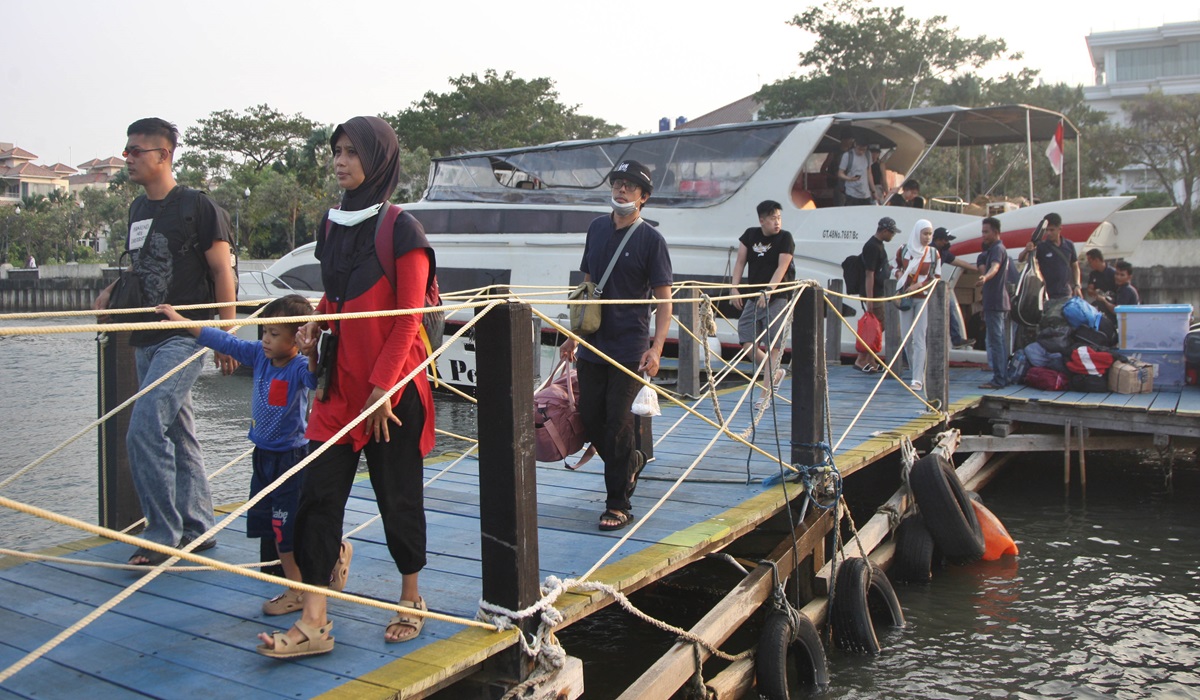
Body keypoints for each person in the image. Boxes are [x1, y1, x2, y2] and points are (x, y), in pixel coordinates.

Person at [256, 116, 437, 658]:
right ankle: (315, 620)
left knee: (396, 496)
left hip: (392, 392)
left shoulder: (403, 230)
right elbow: (336, 298)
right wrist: (315, 323)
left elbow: (407, 320)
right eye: (336, 151)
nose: (341, 160)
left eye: (353, 152)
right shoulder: (332, 225)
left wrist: (382, 388)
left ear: (378, 159)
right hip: (337, 391)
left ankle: (411, 597)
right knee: (317, 498)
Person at [91, 117, 238, 566]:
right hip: (145, 335)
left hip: (186, 334)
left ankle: (162, 533)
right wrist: (113, 292)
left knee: (143, 428)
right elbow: (145, 267)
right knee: (178, 430)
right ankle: (197, 527)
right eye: (127, 150)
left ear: (164, 155)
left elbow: (222, 270)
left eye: (137, 150)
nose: (128, 157)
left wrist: (224, 335)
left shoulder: (196, 206)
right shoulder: (137, 209)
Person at [158, 295, 351, 615]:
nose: (265, 340)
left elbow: (316, 381)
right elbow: (221, 339)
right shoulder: (259, 357)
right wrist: (181, 320)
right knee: (270, 525)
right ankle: (331, 555)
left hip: (291, 458)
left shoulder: (298, 366)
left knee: (284, 528)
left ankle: (297, 589)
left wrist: (311, 353)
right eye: (265, 332)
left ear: (296, 338)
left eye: (275, 335)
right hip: (263, 456)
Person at [560, 160, 672, 532]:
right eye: (618, 183)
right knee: (592, 420)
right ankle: (630, 463)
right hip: (593, 341)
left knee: (618, 423)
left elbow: (664, 300)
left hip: (628, 345)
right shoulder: (596, 229)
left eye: (630, 186)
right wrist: (571, 334)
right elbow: (587, 286)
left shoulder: (652, 241)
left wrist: (655, 349)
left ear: (644, 198)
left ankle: (618, 503)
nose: (621, 190)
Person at [730, 200, 794, 392]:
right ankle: (774, 372)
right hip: (753, 295)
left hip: (778, 295)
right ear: (762, 220)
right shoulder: (750, 236)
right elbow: (740, 262)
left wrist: (769, 291)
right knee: (746, 339)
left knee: (773, 344)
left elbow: (782, 268)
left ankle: (765, 394)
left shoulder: (785, 238)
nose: (777, 222)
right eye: (773, 218)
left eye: (779, 218)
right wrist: (734, 288)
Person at [895, 219, 941, 392]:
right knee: (906, 339)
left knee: (919, 338)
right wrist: (899, 274)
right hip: (906, 297)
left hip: (922, 298)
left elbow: (936, 276)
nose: (928, 237)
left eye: (930, 234)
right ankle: (917, 370)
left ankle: (917, 379)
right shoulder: (904, 250)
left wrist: (919, 286)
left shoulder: (933, 253)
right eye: (925, 233)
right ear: (917, 233)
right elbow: (895, 267)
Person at [854, 216, 900, 372]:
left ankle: (871, 360)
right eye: (892, 233)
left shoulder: (878, 245)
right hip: (874, 293)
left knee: (878, 326)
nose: (892, 236)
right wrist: (869, 299)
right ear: (885, 231)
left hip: (878, 291)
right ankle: (862, 359)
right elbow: (869, 273)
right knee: (877, 326)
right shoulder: (873, 247)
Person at [976, 217, 1010, 390]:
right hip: (996, 301)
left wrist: (985, 277)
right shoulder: (994, 249)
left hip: (996, 302)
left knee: (996, 341)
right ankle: (1002, 376)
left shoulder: (997, 249)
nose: (983, 235)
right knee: (999, 341)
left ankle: (999, 379)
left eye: (986, 231)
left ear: (996, 232)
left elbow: (995, 268)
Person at [930, 227, 976, 349]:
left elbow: (959, 262)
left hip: (937, 287)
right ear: (937, 240)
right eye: (945, 240)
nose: (947, 243)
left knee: (950, 309)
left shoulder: (943, 252)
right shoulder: (929, 251)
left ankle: (956, 339)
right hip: (927, 288)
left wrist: (977, 269)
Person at [1019, 212, 1079, 299]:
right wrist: (1026, 250)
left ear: (1060, 229)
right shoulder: (1041, 246)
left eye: (1052, 230)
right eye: (1047, 230)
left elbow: (1075, 266)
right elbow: (1021, 259)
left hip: (1066, 293)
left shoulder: (1069, 245)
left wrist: (1077, 285)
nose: (1049, 233)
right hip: (1048, 295)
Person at [838, 138, 874, 206]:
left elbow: (869, 174)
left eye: (863, 150)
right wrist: (850, 179)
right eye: (859, 149)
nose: (861, 152)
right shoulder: (847, 155)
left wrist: (873, 191)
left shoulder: (868, 155)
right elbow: (840, 173)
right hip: (851, 193)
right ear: (855, 145)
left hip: (865, 194)